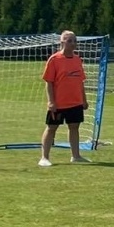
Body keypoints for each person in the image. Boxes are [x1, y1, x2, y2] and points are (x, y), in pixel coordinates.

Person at [39, 31, 89, 167]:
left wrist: (84, 99)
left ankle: (76, 156)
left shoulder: (78, 59)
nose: (73, 44)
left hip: (75, 102)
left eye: (74, 41)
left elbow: (81, 81)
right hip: (58, 103)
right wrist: (51, 101)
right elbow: (49, 82)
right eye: (69, 41)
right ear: (62, 42)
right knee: (51, 128)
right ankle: (44, 157)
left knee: (74, 127)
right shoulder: (54, 60)